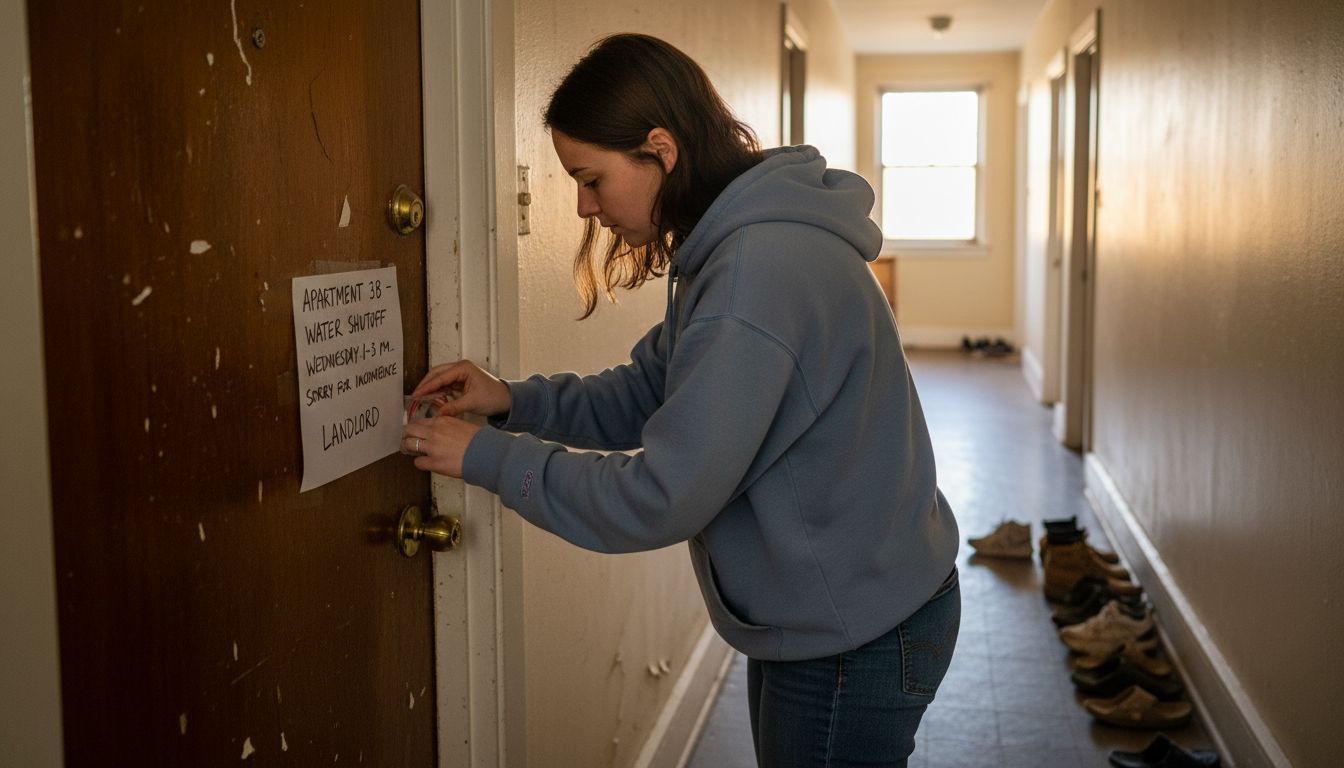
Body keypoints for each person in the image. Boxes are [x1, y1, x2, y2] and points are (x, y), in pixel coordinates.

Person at [402, 33, 960, 767]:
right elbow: (652, 390)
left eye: (592, 179)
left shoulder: (752, 275)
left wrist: (488, 457)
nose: (584, 205)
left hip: (853, 635)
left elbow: (661, 496)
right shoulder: (739, 245)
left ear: (660, 149)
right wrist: (510, 401)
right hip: (855, 604)